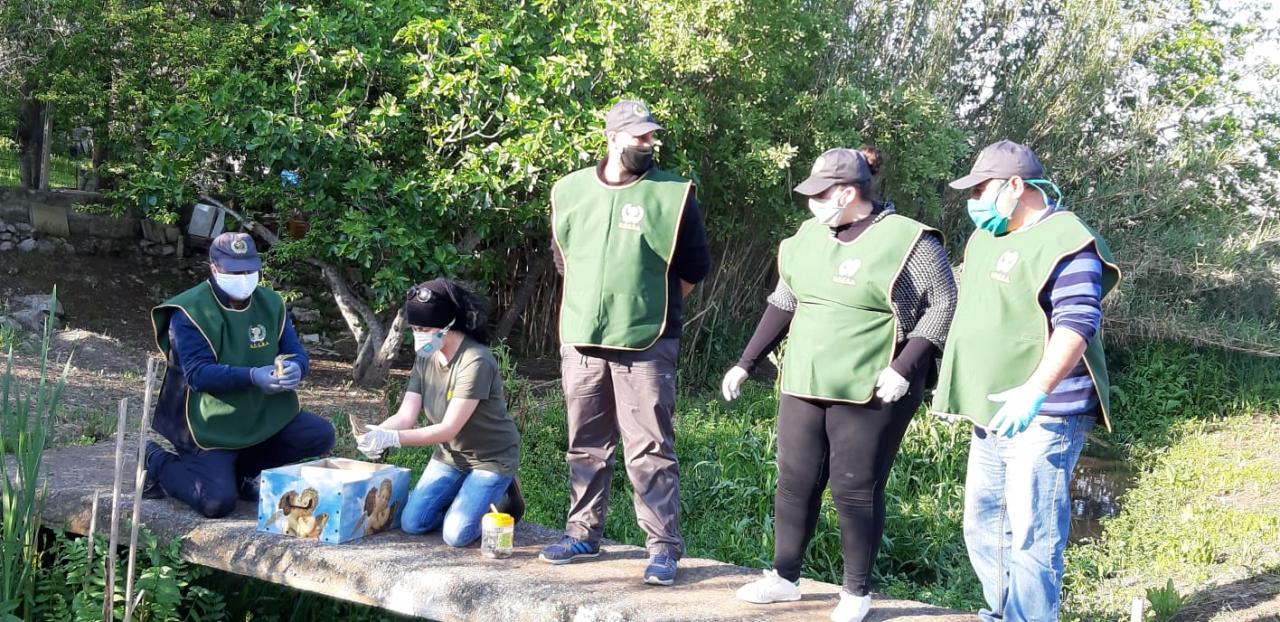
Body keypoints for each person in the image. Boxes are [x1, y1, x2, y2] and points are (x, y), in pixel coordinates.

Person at [722, 147, 957, 622]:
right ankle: (785, 578)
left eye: (820, 195)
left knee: (855, 488)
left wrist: (904, 367)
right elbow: (785, 300)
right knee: (794, 482)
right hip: (806, 378)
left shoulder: (909, 240)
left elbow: (944, 304)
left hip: (876, 385)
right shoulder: (810, 236)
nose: (811, 203)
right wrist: (746, 362)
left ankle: (855, 593)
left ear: (848, 193)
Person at [932, 140, 1121, 622]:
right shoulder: (986, 238)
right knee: (984, 523)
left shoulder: (1068, 240)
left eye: (980, 189)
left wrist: (1035, 389)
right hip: (991, 411)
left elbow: (1078, 324)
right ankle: (1004, 613)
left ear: (1016, 186)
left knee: (1034, 533)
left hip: (1047, 414)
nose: (973, 200)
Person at [541, 99, 711, 586]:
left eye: (651, 136)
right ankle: (582, 534)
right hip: (581, 339)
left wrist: (647, 303)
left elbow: (694, 268)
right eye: (638, 136)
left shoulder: (673, 193)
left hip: (648, 341)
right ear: (612, 137)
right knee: (585, 443)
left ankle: (662, 548)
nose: (647, 144)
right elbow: (563, 259)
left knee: (650, 447)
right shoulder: (570, 190)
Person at [143, 232, 335, 518]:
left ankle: (244, 471)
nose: (244, 277)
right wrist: (253, 377)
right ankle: (155, 460)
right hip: (208, 424)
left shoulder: (271, 303)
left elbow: (294, 350)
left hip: (261, 414)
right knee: (216, 502)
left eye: (249, 270)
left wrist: (297, 368)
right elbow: (197, 374)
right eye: (235, 271)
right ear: (214, 268)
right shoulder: (189, 312)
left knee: (320, 435)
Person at [354, 279, 524, 547]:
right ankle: (464, 500)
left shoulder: (476, 361)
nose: (419, 335)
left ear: (448, 325)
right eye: (415, 329)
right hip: (450, 456)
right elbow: (406, 416)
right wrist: (378, 432)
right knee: (413, 522)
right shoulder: (426, 356)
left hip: (491, 459)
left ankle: (505, 493)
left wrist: (394, 439)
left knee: (456, 536)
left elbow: (448, 429)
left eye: (425, 329)